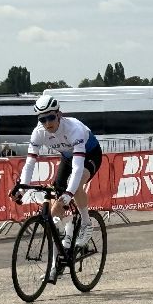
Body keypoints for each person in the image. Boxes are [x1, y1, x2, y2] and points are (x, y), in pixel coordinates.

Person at [12, 95, 103, 281]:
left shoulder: (74, 129)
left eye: (51, 117)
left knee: (74, 184)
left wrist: (69, 193)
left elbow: (78, 168)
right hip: (68, 158)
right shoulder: (38, 133)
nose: (47, 123)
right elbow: (30, 163)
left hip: (90, 155)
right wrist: (21, 189)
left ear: (59, 114)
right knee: (53, 217)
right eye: (42, 119)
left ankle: (86, 223)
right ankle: (55, 265)